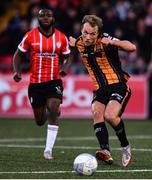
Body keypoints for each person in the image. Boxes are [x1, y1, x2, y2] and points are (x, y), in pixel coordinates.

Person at [69, 15, 136, 167]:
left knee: (110, 116)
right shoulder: (78, 43)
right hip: (100, 89)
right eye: (85, 32)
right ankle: (105, 151)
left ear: (98, 33)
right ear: (81, 30)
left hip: (119, 85)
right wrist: (72, 44)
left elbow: (132, 47)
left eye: (93, 34)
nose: (88, 37)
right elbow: (68, 46)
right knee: (96, 113)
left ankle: (125, 147)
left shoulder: (105, 40)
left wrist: (113, 42)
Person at [13, 7, 71, 160]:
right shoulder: (30, 36)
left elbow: (68, 56)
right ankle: (52, 111)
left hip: (54, 80)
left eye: (48, 15)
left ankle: (48, 150)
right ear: (38, 19)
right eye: (42, 15)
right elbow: (18, 55)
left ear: (53, 19)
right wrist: (17, 71)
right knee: (39, 121)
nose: (45, 17)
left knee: (52, 107)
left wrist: (64, 67)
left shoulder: (61, 37)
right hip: (35, 83)